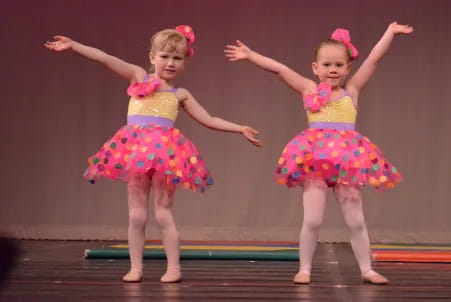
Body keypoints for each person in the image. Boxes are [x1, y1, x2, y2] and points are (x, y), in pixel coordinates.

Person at [45, 25, 262, 283]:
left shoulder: (180, 94)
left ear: (185, 61)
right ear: (152, 57)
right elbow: (105, 58)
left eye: (177, 58)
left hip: (166, 156)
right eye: (165, 56)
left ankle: (174, 268)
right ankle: (136, 267)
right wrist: (74, 45)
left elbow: (209, 118)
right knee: (136, 214)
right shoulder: (138, 76)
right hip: (135, 151)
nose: (170, 63)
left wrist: (239, 129)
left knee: (162, 213)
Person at [225, 22, 412, 284]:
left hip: (347, 162)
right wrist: (251, 55)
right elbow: (279, 69)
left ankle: (367, 269)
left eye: (338, 65)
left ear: (348, 68)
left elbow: (373, 59)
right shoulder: (308, 89)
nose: (333, 70)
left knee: (356, 221)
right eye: (326, 65)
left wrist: (389, 32)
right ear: (315, 68)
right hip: (315, 162)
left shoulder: (352, 91)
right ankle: (305, 269)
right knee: (312, 220)